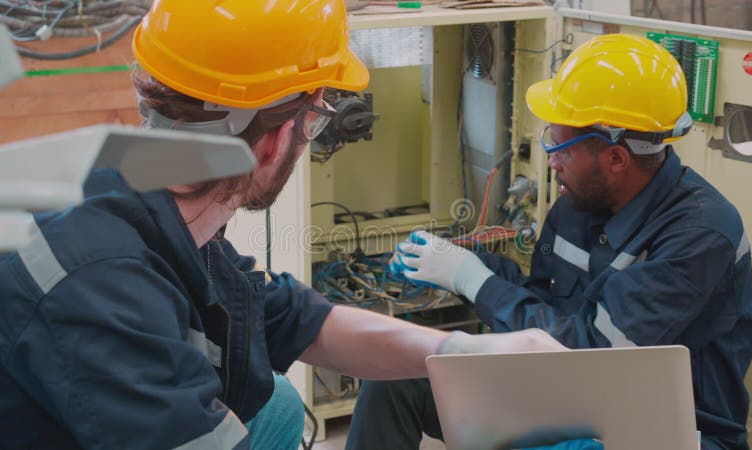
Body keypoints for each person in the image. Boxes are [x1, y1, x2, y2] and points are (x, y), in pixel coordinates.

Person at [0, 1, 569, 449]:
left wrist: (459, 352)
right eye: (317, 121)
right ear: (274, 141)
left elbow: (291, 318)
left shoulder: (146, 192)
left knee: (271, 404)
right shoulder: (101, 291)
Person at [346, 34, 752, 450]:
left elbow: (588, 354)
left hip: (667, 433)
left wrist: (474, 281)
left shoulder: (701, 235)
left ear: (617, 159)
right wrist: (467, 266)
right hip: (564, 398)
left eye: (561, 147)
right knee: (395, 377)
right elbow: (546, 311)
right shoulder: (576, 206)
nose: (551, 159)